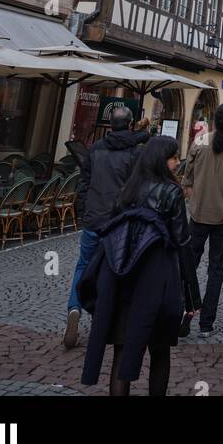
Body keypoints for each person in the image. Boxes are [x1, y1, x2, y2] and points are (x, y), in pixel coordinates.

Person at [80, 136, 194, 397]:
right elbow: (181, 239)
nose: (177, 163)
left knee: (122, 351)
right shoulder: (171, 191)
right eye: (174, 158)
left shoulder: (128, 188)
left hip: (123, 277)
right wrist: (191, 294)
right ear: (161, 160)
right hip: (156, 278)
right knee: (160, 350)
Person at [64, 106, 150, 349]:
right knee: (112, 271)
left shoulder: (95, 148)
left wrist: (83, 210)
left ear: (110, 124)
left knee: (83, 265)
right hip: (118, 222)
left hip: (93, 217)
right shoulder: (135, 152)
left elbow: (84, 182)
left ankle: (74, 308)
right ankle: (102, 322)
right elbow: (138, 190)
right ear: (131, 124)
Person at [184, 102, 223, 338]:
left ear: (213, 119)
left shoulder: (200, 141)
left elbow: (187, 177)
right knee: (216, 270)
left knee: (189, 266)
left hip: (198, 214)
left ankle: (186, 311)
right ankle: (206, 324)